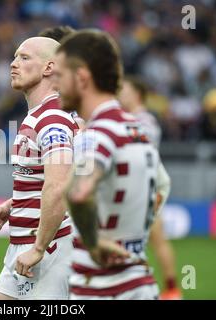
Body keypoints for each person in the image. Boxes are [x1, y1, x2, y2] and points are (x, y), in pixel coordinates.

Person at [55, 29, 167, 299]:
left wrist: (93, 243)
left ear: (81, 77)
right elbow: (162, 186)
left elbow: (79, 193)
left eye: (59, 76)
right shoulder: (137, 128)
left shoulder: (97, 133)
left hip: (103, 287)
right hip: (139, 283)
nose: (54, 85)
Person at [0, 36, 79, 300]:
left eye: (24, 57)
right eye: (14, 57)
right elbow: (45, 180)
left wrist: (39, 247)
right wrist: (12, 205)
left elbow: (58, 186)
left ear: (49, 68)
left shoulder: (52, 119)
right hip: (23, 246)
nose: (13, 64)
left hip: (48, 249)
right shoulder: (38, 116)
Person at [119, 76, 182, 300]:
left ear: (137, 93)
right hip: (140, 190)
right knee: (146, 242)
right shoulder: (133, 119)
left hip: (145, 191)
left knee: (151, 240)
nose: (120, 94)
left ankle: (171, 289)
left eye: (124, 89)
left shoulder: (145, 121)